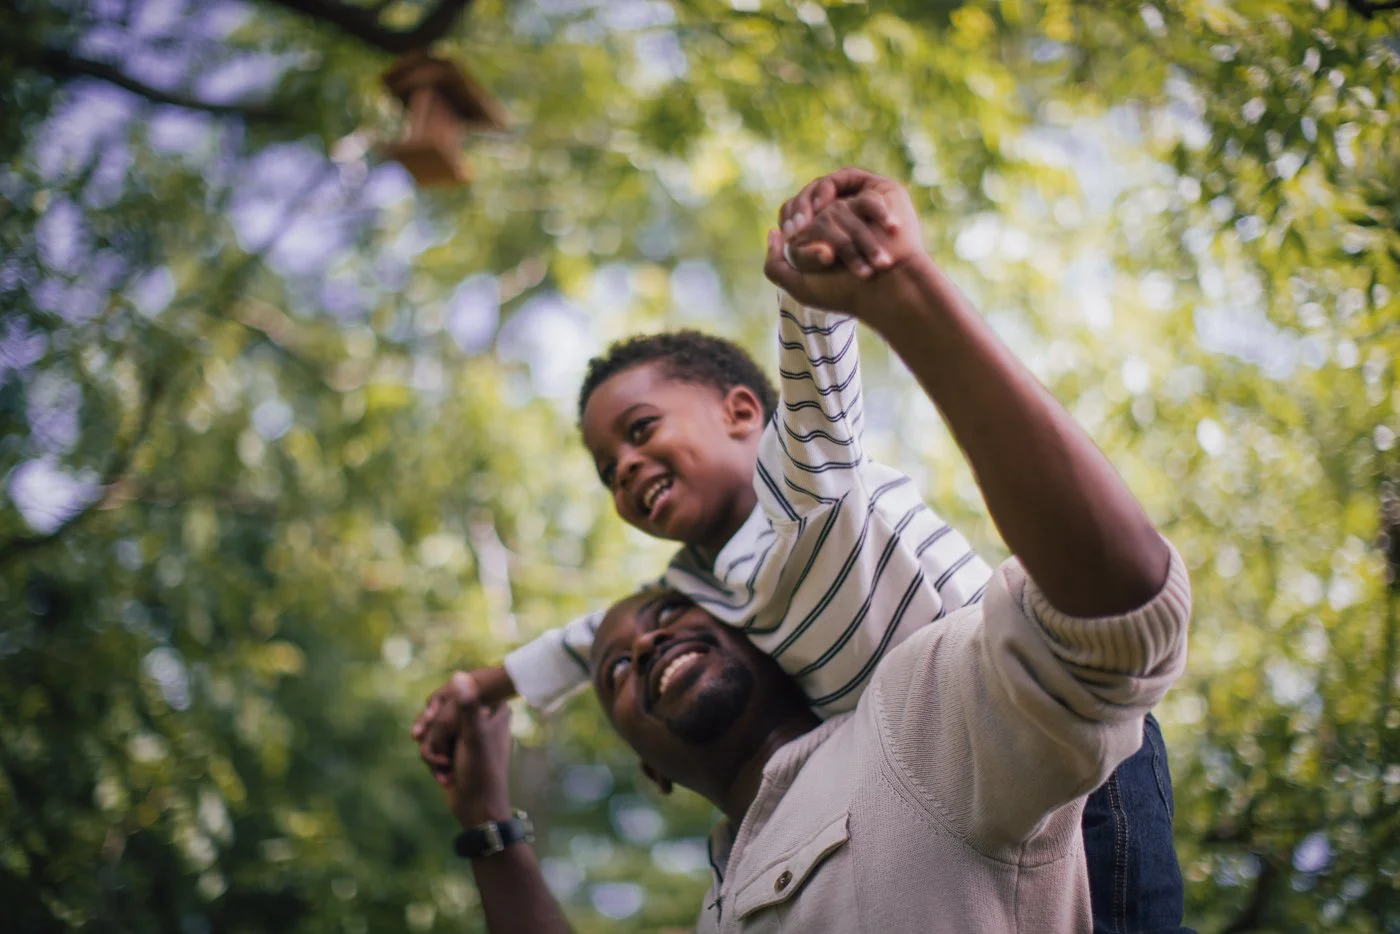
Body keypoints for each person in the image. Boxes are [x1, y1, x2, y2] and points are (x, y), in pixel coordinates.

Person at [428, 169, 1191, 932]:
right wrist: (482, 690)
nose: (624, 468)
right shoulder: (696, 587)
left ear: (739, 413)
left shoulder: (799, 473)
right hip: (932, 781)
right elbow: (591, 640)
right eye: (607, 471)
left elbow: (816, 375)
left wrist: (812, 268)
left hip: (1052, 722)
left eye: (640, 431)